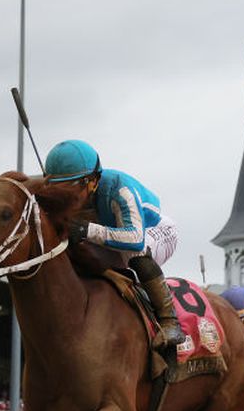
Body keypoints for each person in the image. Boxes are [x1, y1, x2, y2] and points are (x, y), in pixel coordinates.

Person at [44, 139, 184, 350]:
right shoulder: (79, 191)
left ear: (92, 181)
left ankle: (169, 321)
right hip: (116, 237)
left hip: (155, 232)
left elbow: (135, 239)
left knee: (134, 256)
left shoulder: (119, 189)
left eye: (71, 187)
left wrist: (87, 230)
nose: (65, 196)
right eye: (57, 187)